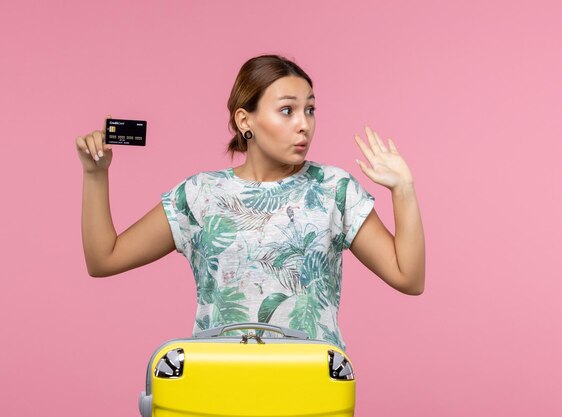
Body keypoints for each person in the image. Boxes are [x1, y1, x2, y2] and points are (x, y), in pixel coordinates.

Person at [75, 55, 425, 350]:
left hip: (310, 389)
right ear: (246, 121)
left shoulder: (334, 189)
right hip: (219, 387)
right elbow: (104, 258)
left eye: (311, 109)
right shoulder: (201, 195)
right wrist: (95, 175)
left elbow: (408, 278)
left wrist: (404, 189)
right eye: (287, 110)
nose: (304, 124)